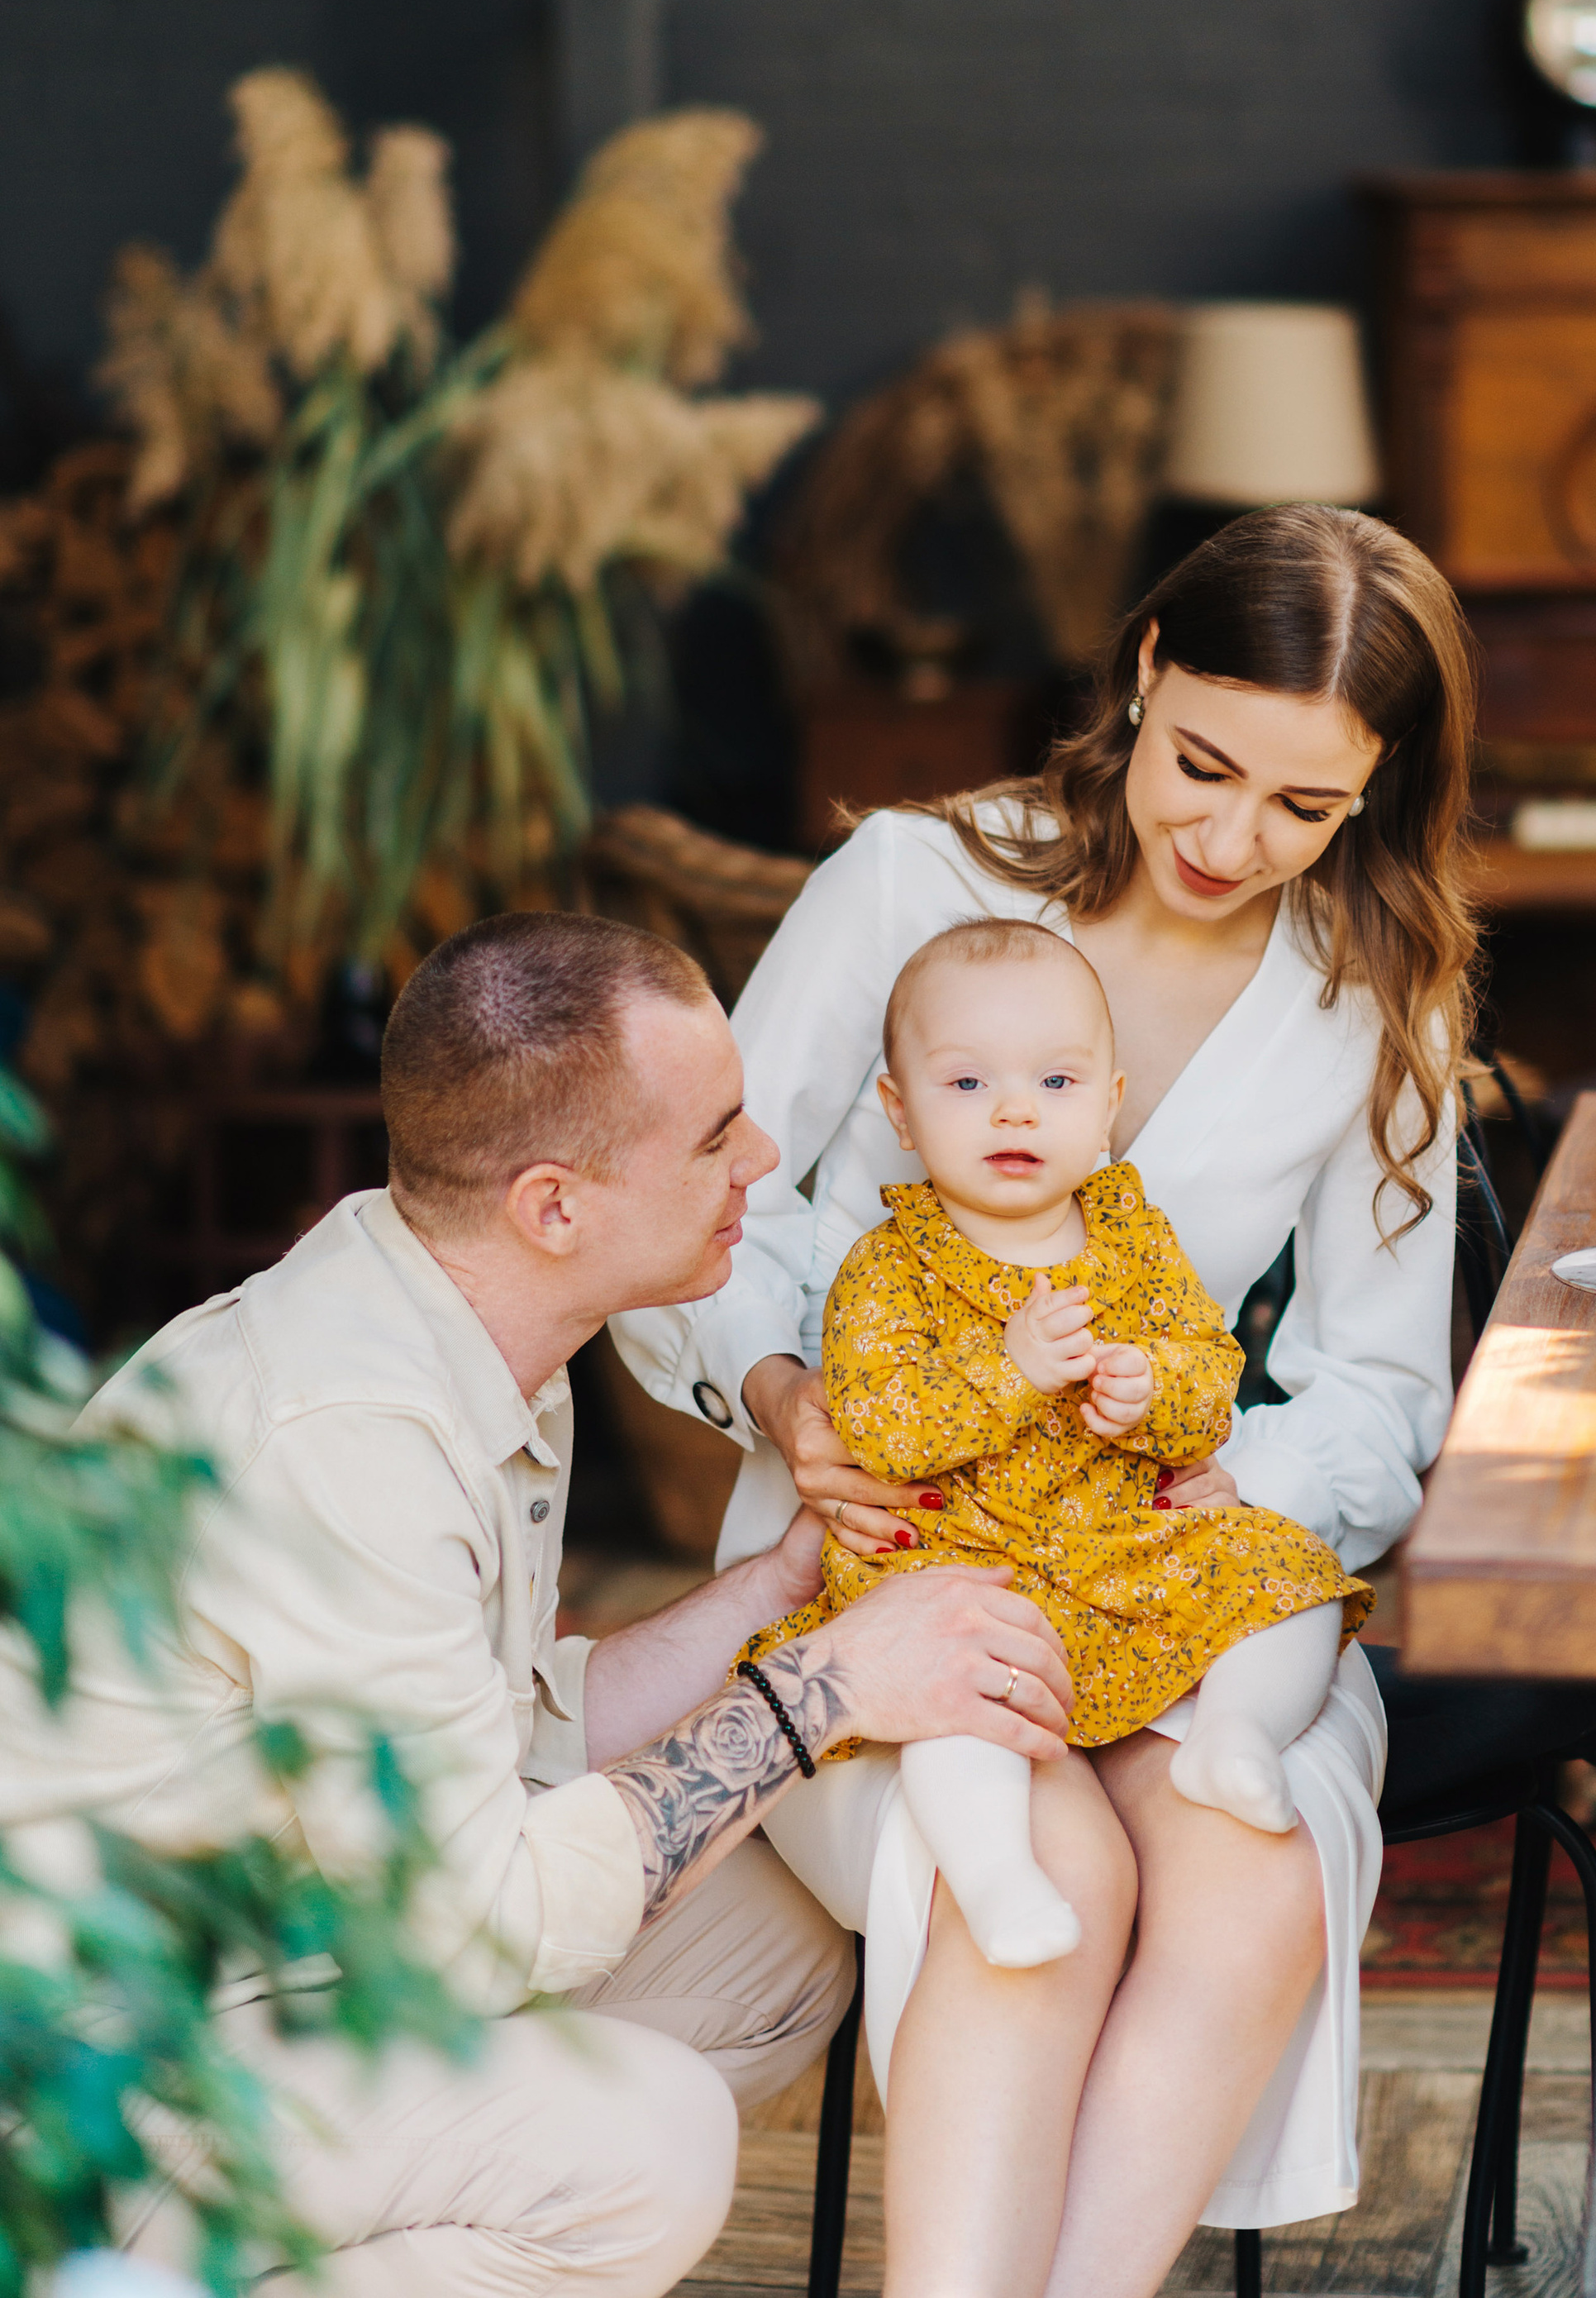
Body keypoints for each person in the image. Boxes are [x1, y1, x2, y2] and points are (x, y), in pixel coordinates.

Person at [612, 501, 1480, 2297]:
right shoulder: (912, 883)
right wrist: (781, 1395)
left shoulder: (1370, 992)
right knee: (1048, 1890)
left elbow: (1383, 1388)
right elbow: (699, 1209)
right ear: (1146, 668)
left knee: (1249, 1879)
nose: (1228, 841)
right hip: (892, 1552)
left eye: (1305, 806)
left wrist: (1231, 1479)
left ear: (1376, 791)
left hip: (1172, 1564)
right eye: (1203, 767)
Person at [2, 911, 1074, 2298]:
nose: (762, 1159)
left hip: (314, 1940)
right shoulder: (349, 1439)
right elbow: (475, 1921)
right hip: (105, 2081)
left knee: (784, 1934)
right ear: (555, 1206)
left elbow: (511, 1729)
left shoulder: (482, 1322)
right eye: (717, 1137)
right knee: (649, 2145)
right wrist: (827, 1688)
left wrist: (783, 1587)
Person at [742, 916, 1367, 1968]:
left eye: (1057, 1082)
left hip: (1118, 1547)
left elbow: (1208, 1376)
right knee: (953, 1701)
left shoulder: (1133, 1240)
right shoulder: (887, 1267)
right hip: (959, 1568)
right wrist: (1013, 1367)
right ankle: (996, 1876)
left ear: (1109, 1104)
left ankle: (1234, 1739)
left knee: (1289, 1571)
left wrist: (1149, 1392)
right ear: (900, 1110)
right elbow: (881, 1429)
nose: (1016, 1109)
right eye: (967, 1083)